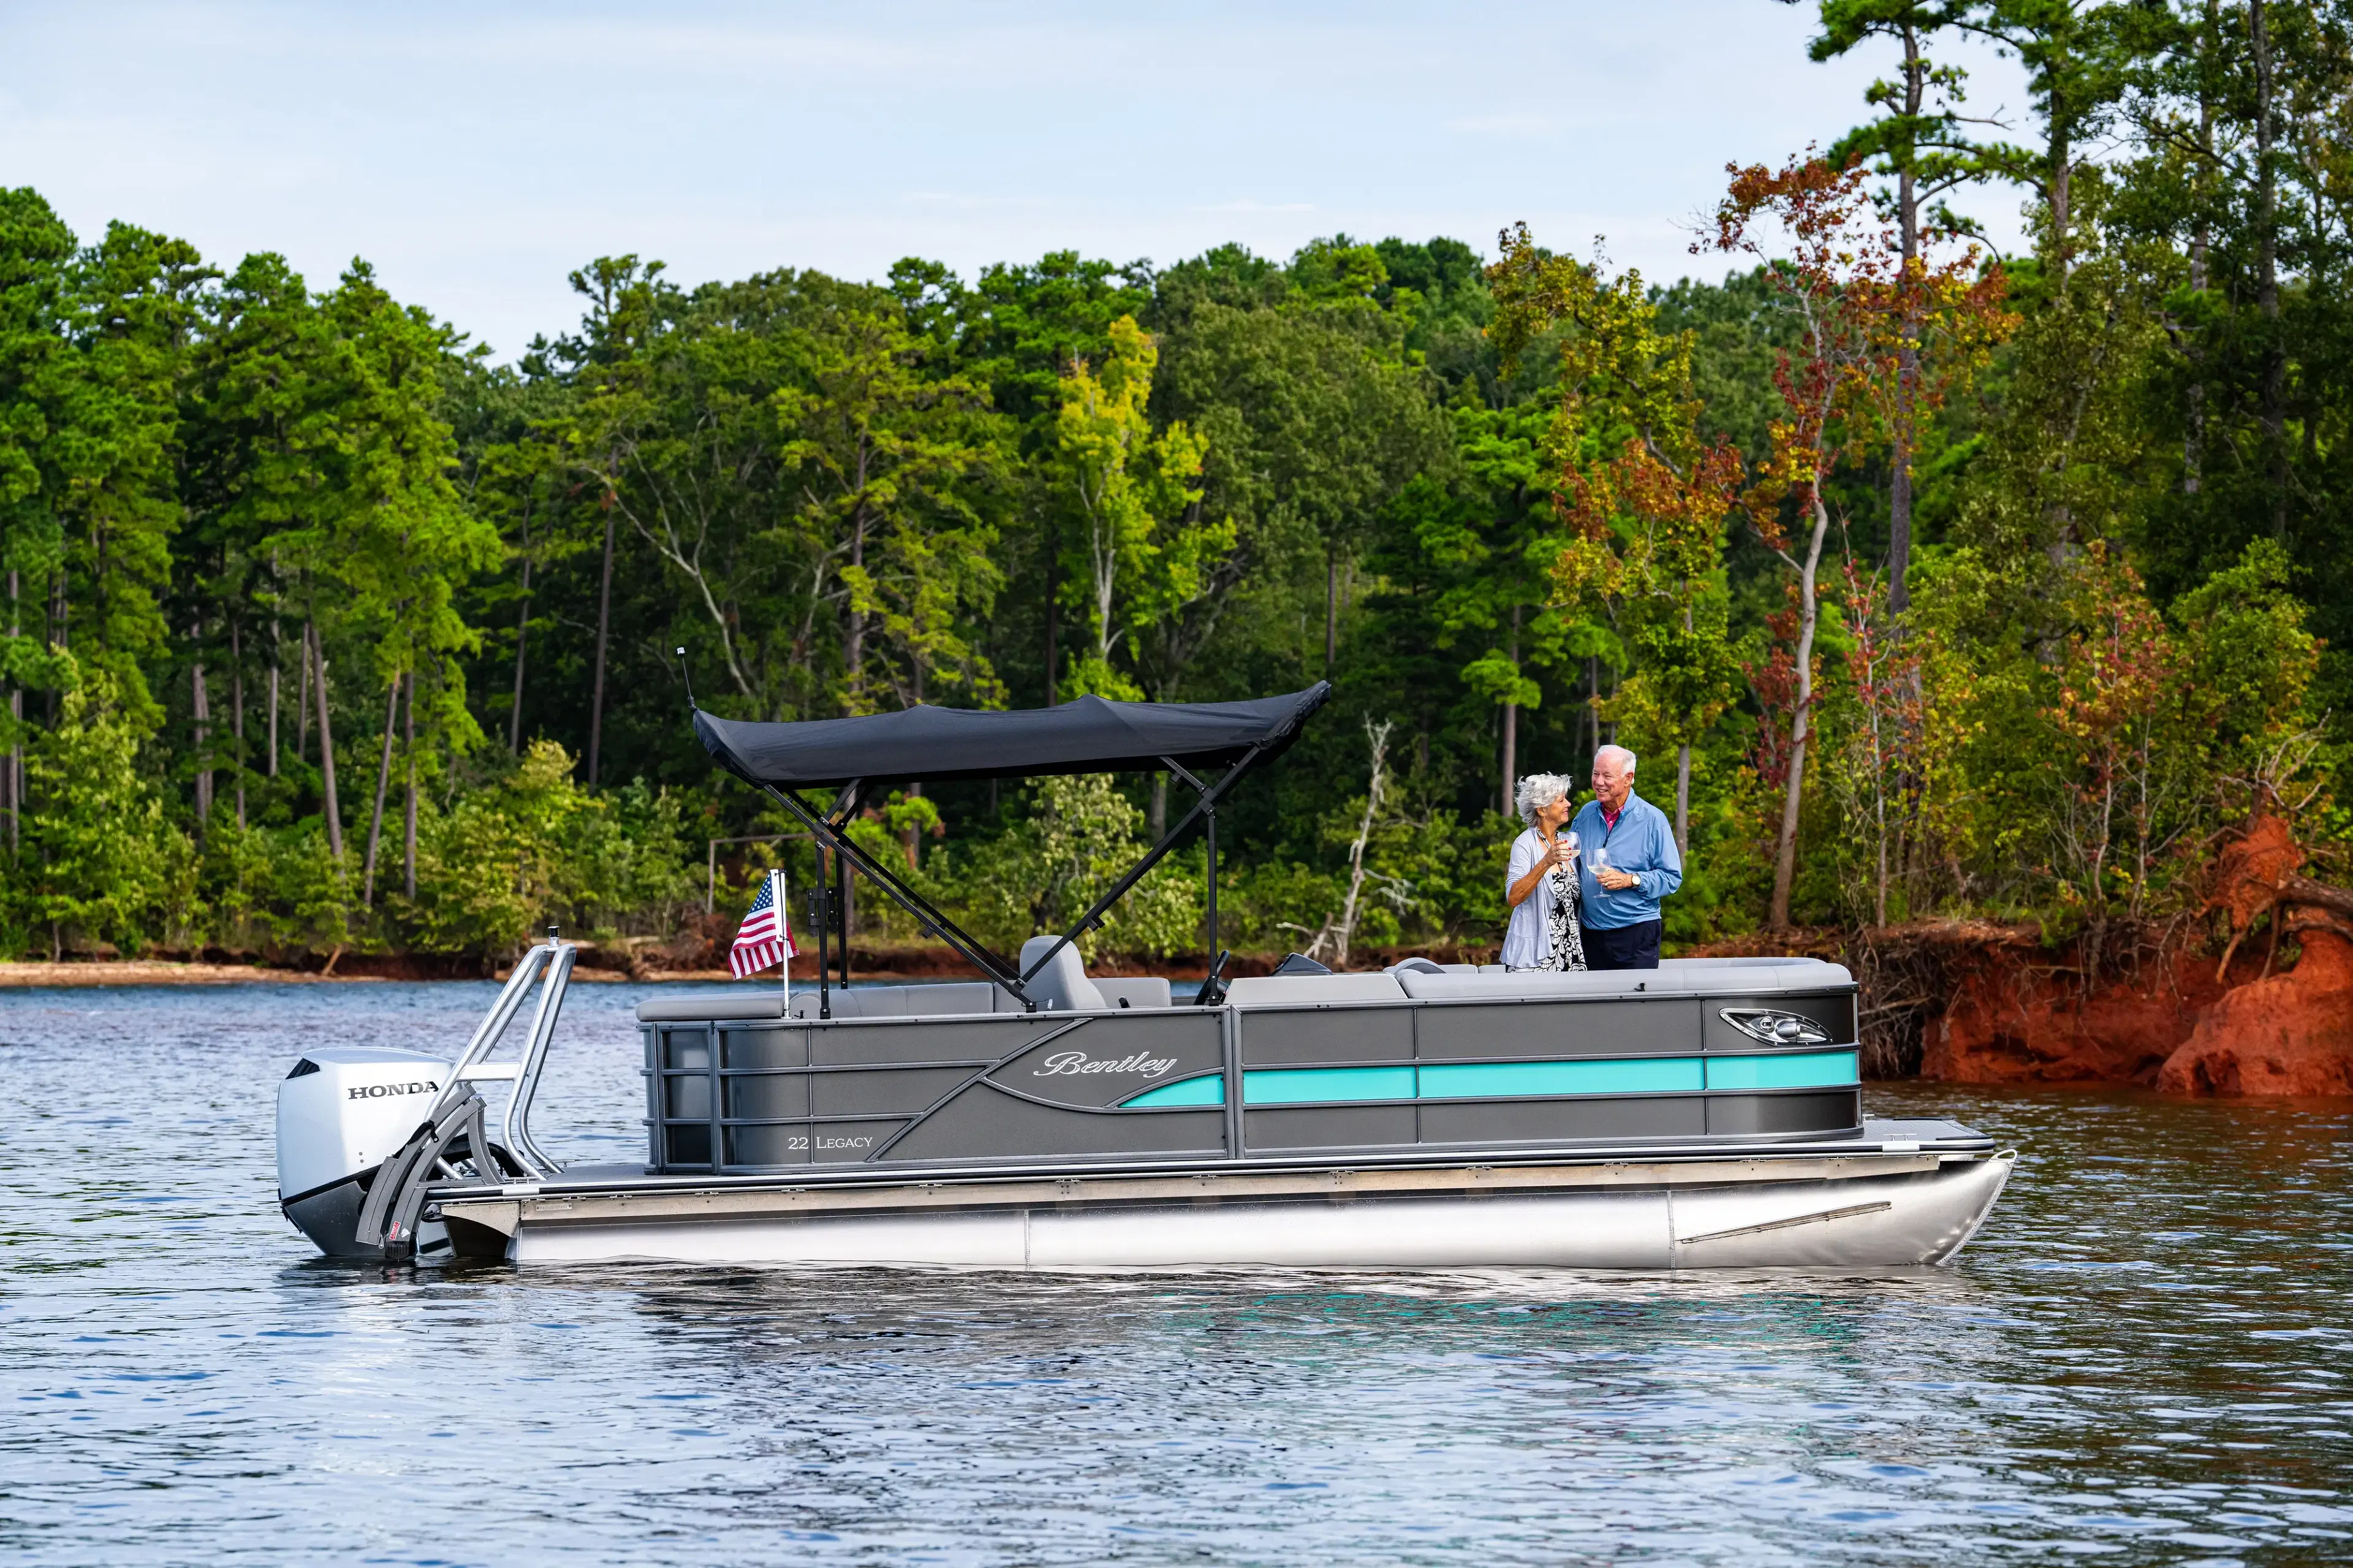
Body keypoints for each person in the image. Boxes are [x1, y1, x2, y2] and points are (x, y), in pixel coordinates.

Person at [1567, 744, 1681, 970]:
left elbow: (1671, 878)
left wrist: (1630, 880)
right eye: (1595, 773)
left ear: (1629, 778)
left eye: (1607, 776)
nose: (1599, 782)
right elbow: (1571, 859)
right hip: (1591, 934)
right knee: (1595, 1004)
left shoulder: (1653, 820)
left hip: (1636, 934)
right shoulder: (1586, 815)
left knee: (1635, 1005)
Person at [1501, 773, 1586, 972]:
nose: (1569, 804)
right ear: (1542, 809)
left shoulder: (1570, 841)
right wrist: (1546, 862)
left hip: (1570, 951)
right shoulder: (1524, 844)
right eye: (1561, 800)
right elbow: (1513, 897)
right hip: (1534, 957)